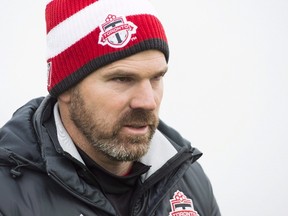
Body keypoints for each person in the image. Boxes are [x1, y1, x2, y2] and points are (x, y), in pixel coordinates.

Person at [0, 0, 221, 215]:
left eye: (156, 78)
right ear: (65, 88)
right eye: (122, 79)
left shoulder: (188, 180)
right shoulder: (8, 195)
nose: (148, 101)